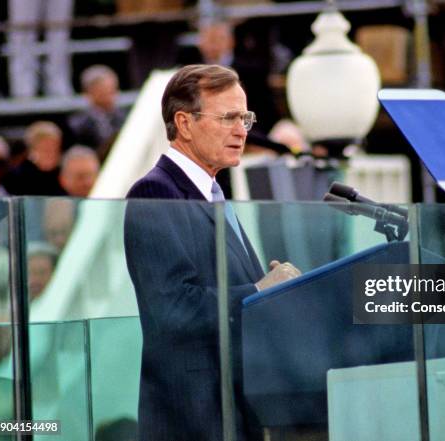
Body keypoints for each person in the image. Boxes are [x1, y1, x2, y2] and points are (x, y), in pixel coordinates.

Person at [123, 64, 301, 441]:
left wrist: (275, 292)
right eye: (228, 118)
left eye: (245, 118)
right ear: (184, 123)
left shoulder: (215, 192)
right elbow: (172, 309)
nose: (242, 131)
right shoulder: (155, 192)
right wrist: (258, 291)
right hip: (191, 418)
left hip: (233, 411)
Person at [68, 65, 127, 159]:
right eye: (105, 90)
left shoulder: (127, 118)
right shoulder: (77, 125)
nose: (111, 95)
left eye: (113, 89)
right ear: (89, 92)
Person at [1, 121, 64, 196]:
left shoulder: (64, 175)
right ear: (32, 150)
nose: (52, 154)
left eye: (55, 149)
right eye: (46, 149)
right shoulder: (16, 178)